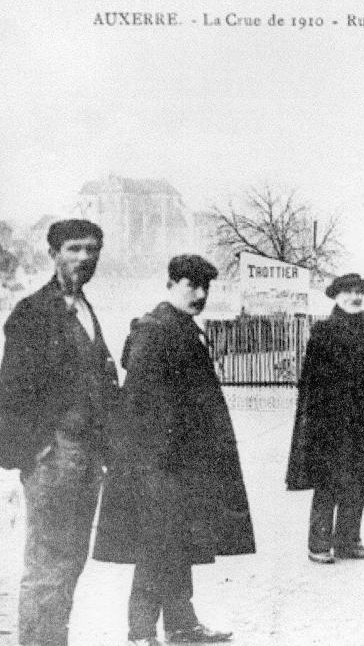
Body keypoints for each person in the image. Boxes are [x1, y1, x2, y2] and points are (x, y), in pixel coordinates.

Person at [93, 255, 255, 646]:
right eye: (191, 285)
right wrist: (162, 464)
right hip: (160, 464)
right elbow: (146, 406)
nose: (200, 294)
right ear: (171, 285)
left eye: (205, 287)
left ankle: (182, 624)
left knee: (178, 543)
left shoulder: (180, 328)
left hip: (182, 462)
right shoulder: (156, 331)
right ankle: (141, 633)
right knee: (158, 545)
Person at [0, 219, 118, 646]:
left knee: (70, 563)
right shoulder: (32, 313)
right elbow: (11, 391)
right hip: (54, 456)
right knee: (48, 566)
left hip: (87, 456)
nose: (84, 258)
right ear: (54, 254)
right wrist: (36, 453)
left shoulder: (86, 310)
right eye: (73, 248)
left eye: (92, 249)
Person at [286, 272, 364, 564]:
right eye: (349, 292)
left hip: (362, 424)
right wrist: (320, 427)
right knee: (329, 482)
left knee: (358, 481)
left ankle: (349, 541)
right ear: (336, 295)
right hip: (332, 425)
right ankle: (319, 543)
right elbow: (314, 385)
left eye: (360, 292)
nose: (356, 297)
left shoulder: (363, 331)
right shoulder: (325, 331)